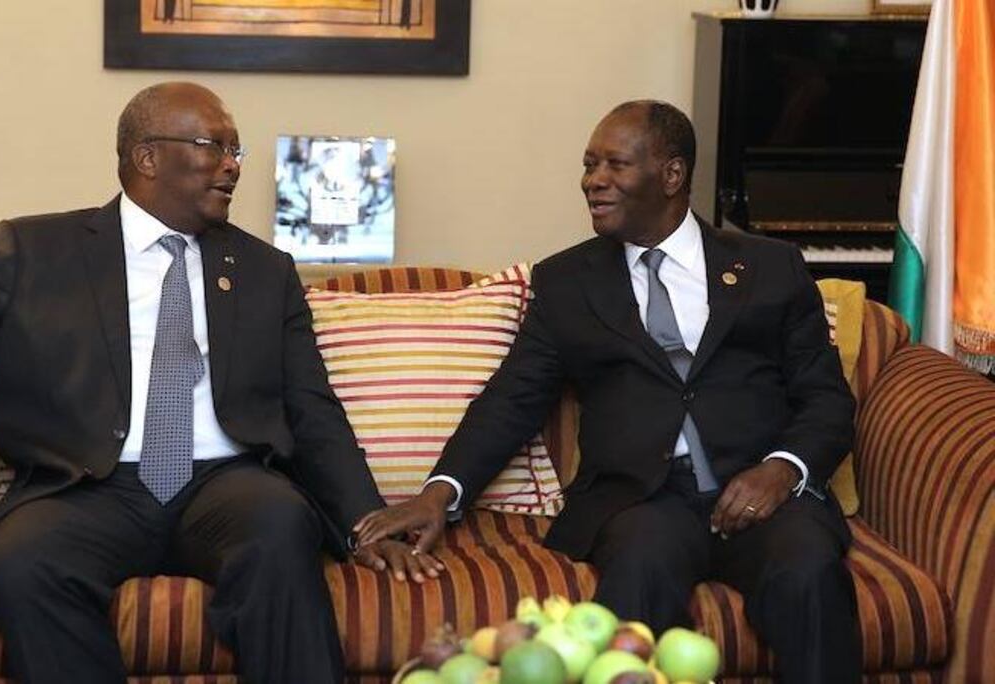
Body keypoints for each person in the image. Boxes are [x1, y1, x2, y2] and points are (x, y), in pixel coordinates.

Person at [0, 82, 442, 684]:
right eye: (214, 145)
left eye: (235, 149)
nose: (234, 164)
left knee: (280, 529)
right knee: (25, 563)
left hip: (226, 481)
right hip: (85, 485)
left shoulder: (264, 270)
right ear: (147, 158)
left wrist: (365, 517)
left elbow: (310, 406)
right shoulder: (34, 250)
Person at [356, 100, 861, 683]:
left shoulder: (769, 266)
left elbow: (826, 398)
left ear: (671, 174)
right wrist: (439, 493)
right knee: (637, 574)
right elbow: (512, 399)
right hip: (645, 502)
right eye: (589, 164)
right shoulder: (568, 281)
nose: (592, 181)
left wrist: (782, 469)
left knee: (808, 570)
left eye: (614, 164)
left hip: (764, 494)